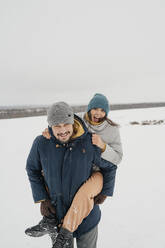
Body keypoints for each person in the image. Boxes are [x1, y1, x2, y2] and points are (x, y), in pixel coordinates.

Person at [26, 101, 118, 248]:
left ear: (72, 122)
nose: (62, 130)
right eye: (57, 126)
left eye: (65, 125)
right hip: (56, 215)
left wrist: (105, 192)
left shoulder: (88, 142)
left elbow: (110, 166)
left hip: (86, 219)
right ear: (50, 126)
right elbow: (32, 169)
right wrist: (42, 198)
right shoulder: (41, 143)